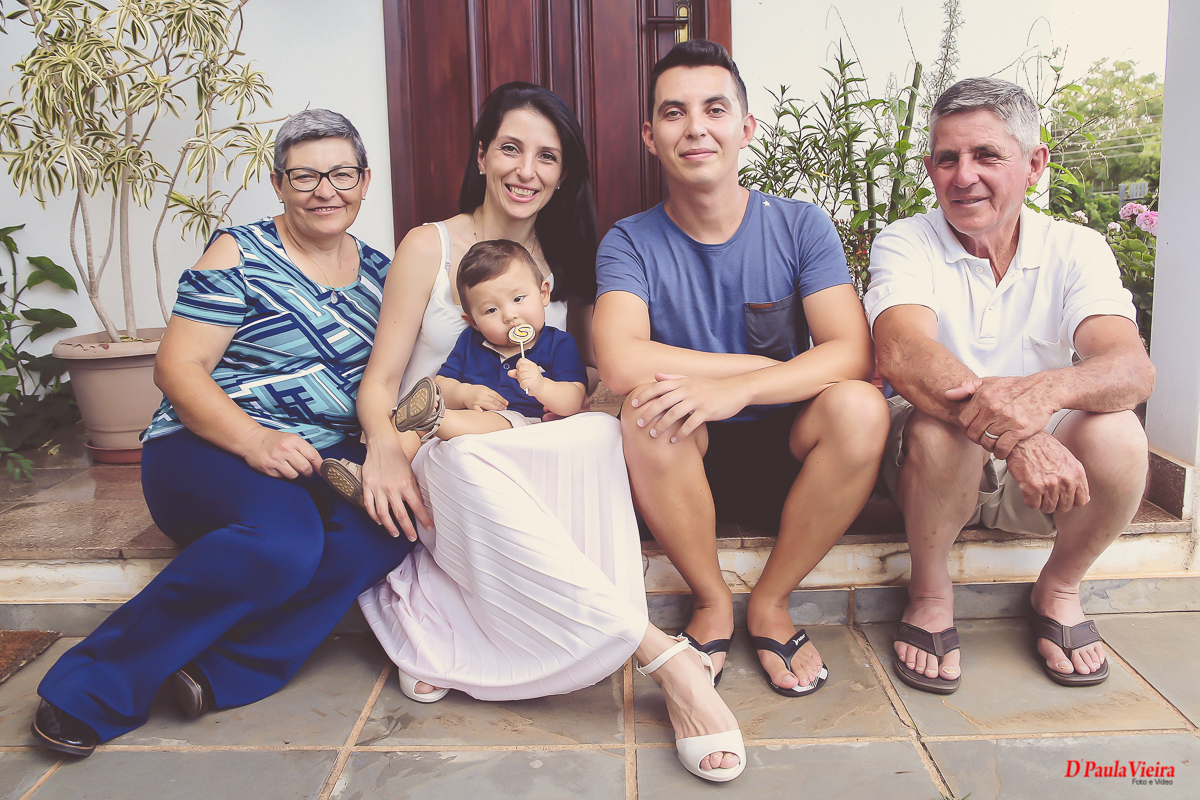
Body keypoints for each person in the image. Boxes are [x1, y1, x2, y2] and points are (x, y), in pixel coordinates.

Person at [353, 81, 745, 782]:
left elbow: (595, 375)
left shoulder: (570, 259)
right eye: (511, 149)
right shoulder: (429, 246)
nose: (526, 171)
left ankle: (497, 613)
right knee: (467, 457)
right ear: (482, 155)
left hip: (526, 442)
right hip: (445, 444)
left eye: (547, 157)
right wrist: (385, 446)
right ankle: (663, 657)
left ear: (564, 174)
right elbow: (382, 380)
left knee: (598, 435)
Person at [31, 110, 415, 757]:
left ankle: (216, 671)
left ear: (366, 180)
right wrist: (254, 440)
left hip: (320, 455)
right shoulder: (240, 252)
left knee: (388, 528)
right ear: (279, 184)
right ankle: (89, 689)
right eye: (305, 176)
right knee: (284, 543)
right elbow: (177, 369)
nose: (325, 190)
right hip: (206, 445)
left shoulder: (383, 273)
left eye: (341, 174)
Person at [594, 40, 889, 700]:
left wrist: (741, 389)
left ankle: (771, 603)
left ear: (746, 128)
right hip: (684, 462)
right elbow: (620, 359)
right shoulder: (630, 240)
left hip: (792, 452)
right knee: (643, 410)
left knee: (862, 407)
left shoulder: (800, 226)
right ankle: (711, 602)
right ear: (650, 136)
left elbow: (850, 351)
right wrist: (741, 369)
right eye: (673, 112)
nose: (695, 128)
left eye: (715, 109)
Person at [865, 78, 1155, 695]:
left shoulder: (1076, 248)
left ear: (1034, 164)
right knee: (942, 431)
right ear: (930, 170)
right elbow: (904, 353)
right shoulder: (907, 240)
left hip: (1042, 481)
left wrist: (1039, 400)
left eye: (987, 155)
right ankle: (930, 592)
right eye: (948, 158)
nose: (963, 175)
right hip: (933, 465)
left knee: (1122, 436)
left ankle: (1061, 587)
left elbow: (1130, 369)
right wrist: (1020, 436)